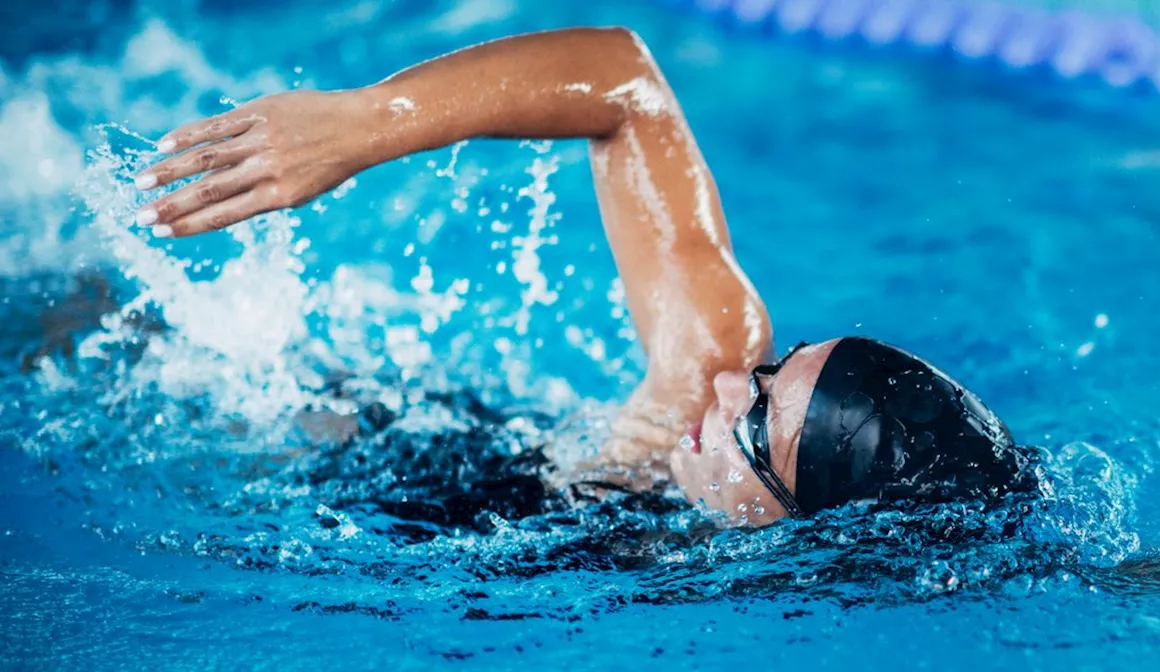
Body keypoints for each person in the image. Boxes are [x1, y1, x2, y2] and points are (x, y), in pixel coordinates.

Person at [132, 27, 1036, 526]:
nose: (727, 383)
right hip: (345, 438)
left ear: (806, 526)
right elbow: (623, 82)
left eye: (759, 422)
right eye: (773, 371)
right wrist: (366, 125)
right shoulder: (699, 387)